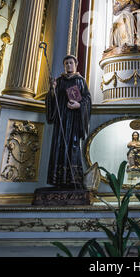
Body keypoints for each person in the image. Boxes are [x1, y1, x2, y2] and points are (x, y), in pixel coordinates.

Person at [46, 55, 92, 188]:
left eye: (71, 63)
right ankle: (58, 181)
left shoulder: (80, 81)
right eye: (66, 63)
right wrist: (52, 90)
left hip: (74, 122)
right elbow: (51, 100)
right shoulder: (59, 81)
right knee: (59, 147)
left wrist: (79, 105)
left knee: (73, 147)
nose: (68, 65)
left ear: (76, 64)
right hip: (61, 121)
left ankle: (74, 180)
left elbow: (87, 100)